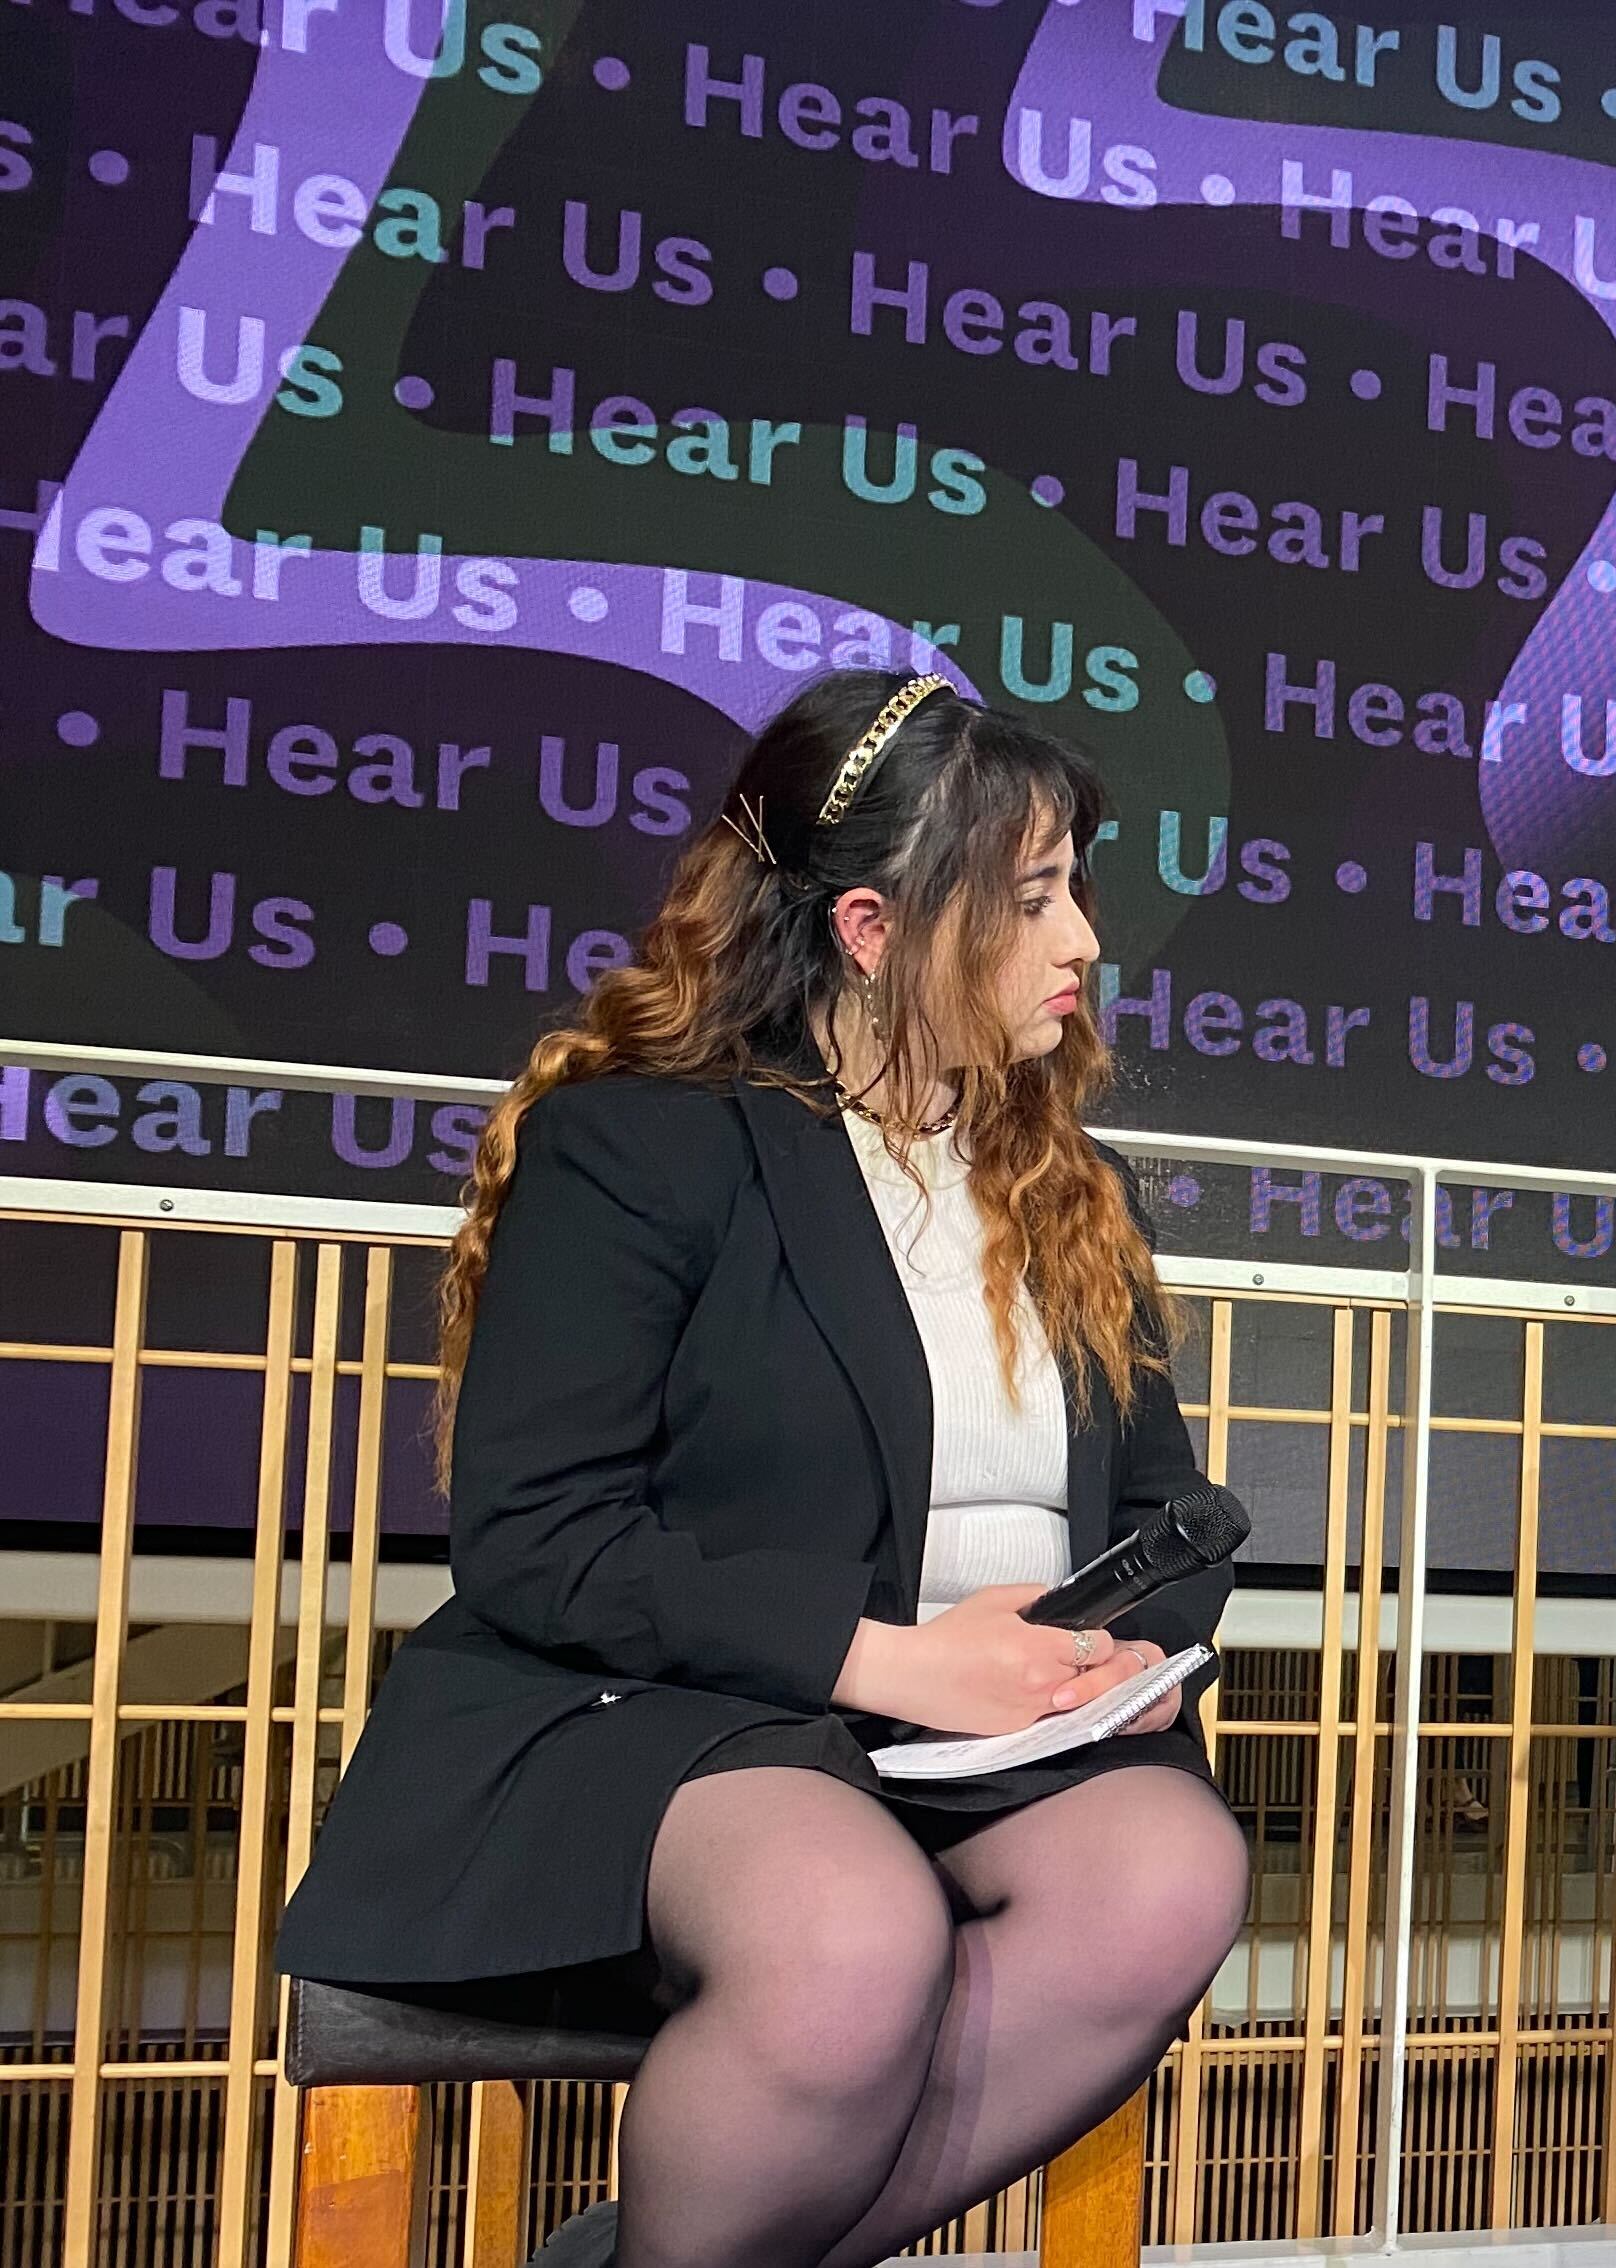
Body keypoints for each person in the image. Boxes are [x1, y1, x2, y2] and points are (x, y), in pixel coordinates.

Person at [276, 673, 1250, 2268]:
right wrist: (893, 1662)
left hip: (984, 1736)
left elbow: (1160, 1509)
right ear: (873, 930)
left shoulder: (1079, 1187)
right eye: (1032, 899)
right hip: (673, 1709)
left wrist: (1125, 1652)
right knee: (845, 1934)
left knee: (1169, 1874)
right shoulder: (642, 1144)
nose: (1083, 939)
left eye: (1076, 889)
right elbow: (540, 1541)